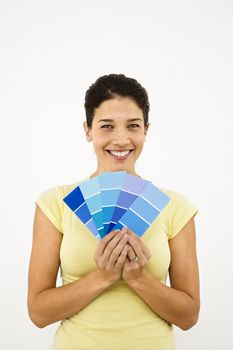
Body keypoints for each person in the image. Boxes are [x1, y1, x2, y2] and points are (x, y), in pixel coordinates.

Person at [27, 73, 200, 350]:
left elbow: (189, 316)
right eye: (106, 126)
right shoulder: (56, 202)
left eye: (133, 125)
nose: (121, 139)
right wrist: (104, 276)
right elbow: (38, 312)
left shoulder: (173, 206)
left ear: (146, 130)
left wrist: (138, 277)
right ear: (88, 130)